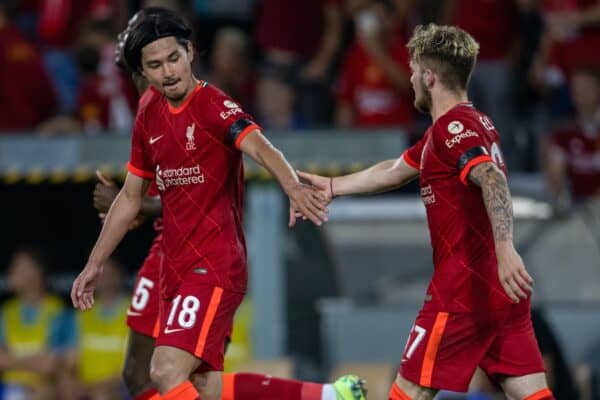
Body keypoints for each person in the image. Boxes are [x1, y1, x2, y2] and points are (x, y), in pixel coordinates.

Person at [70, 7, 333, 400]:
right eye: (155, 65)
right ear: (143, 71)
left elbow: (259, 144)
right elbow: (130, 196)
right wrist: (94, 264)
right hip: (173, 265)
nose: (168, 72)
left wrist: (292, 186)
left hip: (213, 264)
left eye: (174, 59)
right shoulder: (148, 114)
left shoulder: (212, 104)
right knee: (198, 385)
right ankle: (330, 396)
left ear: (191, 53)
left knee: (161, 371)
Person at [298, 23, 556, 400]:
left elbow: (492, 179)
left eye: (415, 70)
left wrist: (505, 248)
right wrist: (334, 186)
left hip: (462, 292)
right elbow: (396, 169)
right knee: (531, 393)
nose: (411, 78)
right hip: (501, 294)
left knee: (408, 392)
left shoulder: (454, 128)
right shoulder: (466, 126)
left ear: (430, 76)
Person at [0, 247, 72, 400]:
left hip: (41, 390)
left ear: (36, 273)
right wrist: (34, 361)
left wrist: (12, 359)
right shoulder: (7, 311)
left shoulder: (58, 311)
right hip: (7, 387)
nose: (11, 272)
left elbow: (50, 365)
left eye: (18, 267)